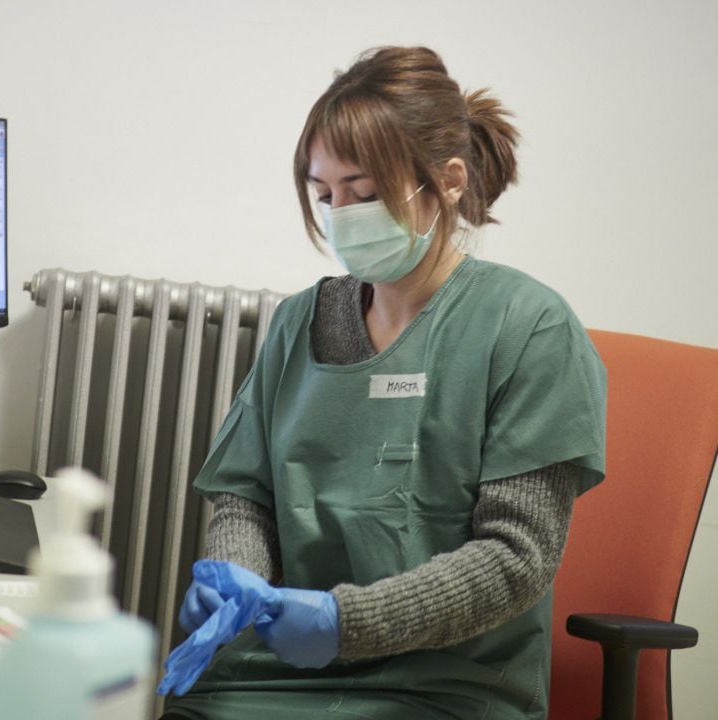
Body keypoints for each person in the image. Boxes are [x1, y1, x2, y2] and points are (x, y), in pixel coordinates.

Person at [159, 46, 607, 720]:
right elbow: (244, 498)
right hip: (283, 673)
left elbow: (517, 558)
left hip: (451, 685)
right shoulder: (300, 324)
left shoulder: (527, 327)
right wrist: (238, 580)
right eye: (325, 194)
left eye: (364, 193)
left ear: (448, 181)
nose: (341, 215)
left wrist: (349, 622)